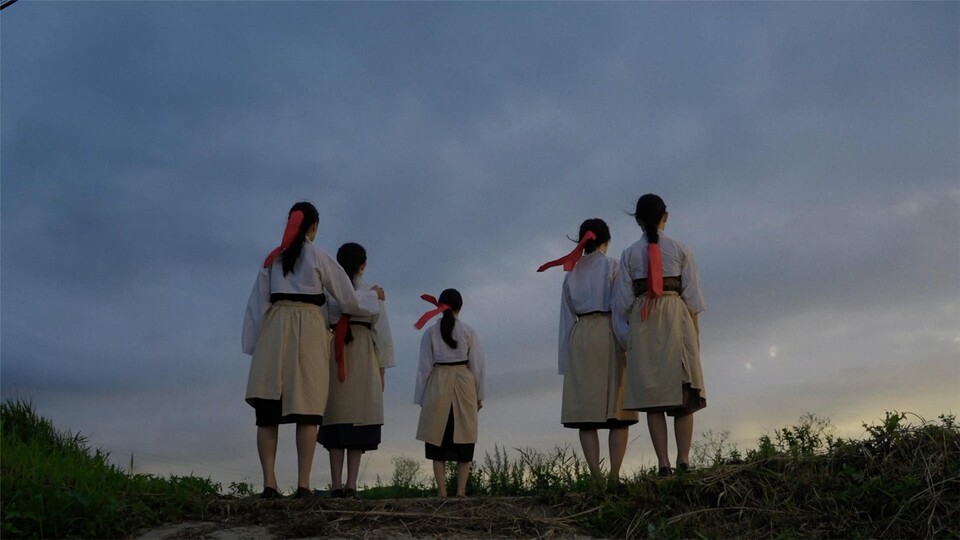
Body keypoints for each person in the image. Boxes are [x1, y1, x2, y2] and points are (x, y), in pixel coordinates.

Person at [242, 202, 385, 499]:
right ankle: (304, 484)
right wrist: (374, 297)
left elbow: (257, 306)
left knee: (268, 412)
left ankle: (270, 484)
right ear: (314, 227)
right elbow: (348, 301)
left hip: (274, 329)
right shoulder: (320, 257)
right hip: (308, 330)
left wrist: (256, 347)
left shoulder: (272, 259)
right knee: (307, 409)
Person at [538, 219, 639, 486]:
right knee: (617, 412)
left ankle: (596, 477)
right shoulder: (613, 265)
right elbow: (622, 306)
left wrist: (565, 361)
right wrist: (629, 341)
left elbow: (565, 319)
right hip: (610, 331)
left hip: (581, 336)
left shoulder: (571, 273)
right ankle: (614, 477)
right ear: (606, 239)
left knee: (586, 414)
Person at [612, 194, 706, 477]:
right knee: (683, 396)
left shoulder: (628, 255)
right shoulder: (681, 249)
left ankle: (663, 463)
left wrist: (629, 340)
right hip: (676, 319)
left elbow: (621, 304)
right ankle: (684, 460)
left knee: (653, 396)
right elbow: (692, 297)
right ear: (666, 216)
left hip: (645, 323)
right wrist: (695, 336)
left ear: (638, 221)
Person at [318, 242, 395, 498]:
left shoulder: (331, 291)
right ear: (363, 265)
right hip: (362, 352)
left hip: (337, 352)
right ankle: (351, 485)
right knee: (354, 419)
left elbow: (325, 318)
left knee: (338, 420)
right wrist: (382, 370)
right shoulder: (372, 293)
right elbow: (382, 333)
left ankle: (337, 485)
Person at [413, 289, 486, 497]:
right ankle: (461, 492)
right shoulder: (468, 331)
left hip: (438, 383)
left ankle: (442, 492)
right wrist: (479, 395)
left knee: (438, 439)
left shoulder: (430, 333)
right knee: (464, 438)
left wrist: (421, 398)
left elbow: (423, 368)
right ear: (460, 307)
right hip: (464, 383)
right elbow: (478, 366)